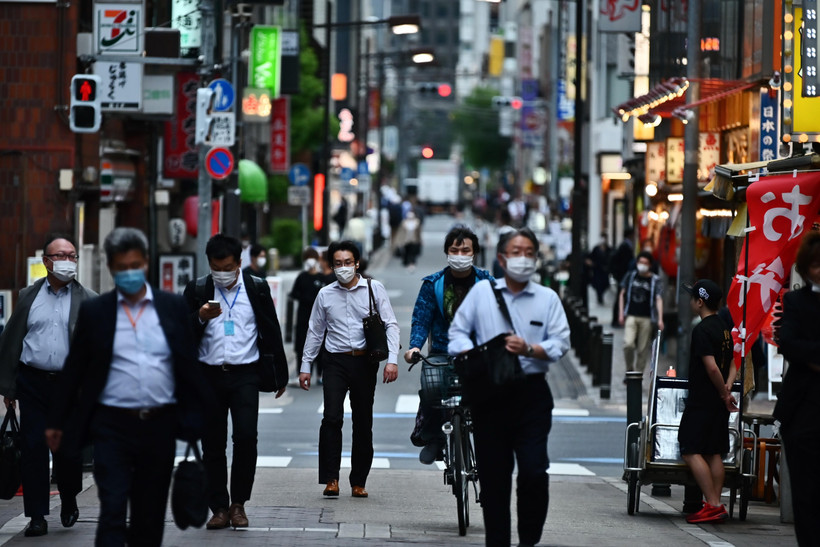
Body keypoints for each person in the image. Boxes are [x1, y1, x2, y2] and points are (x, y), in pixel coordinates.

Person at [44, 227, 210, 546]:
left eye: (135, 265)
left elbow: (187, 366)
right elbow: (75, 369)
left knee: (148, 518)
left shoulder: (171, 307)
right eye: (122, 268)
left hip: (158, 426)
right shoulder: (97, 312)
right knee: (113, 511)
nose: (129, 273)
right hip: (112, 426)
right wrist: (56, 421)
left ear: (146, 263)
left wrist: (201, 416)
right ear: (111, 268)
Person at [448, 228, 571, 546]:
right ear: (502, 259)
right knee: (494, 478)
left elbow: (560, 343)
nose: (524, 258)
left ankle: (528, 540)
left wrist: (530, 349)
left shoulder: (547, 298)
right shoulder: (482, 294)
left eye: (530, 252)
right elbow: (458, 332)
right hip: (489, 394)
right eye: (516, 252)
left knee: (533, 470)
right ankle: (497, 541)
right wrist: (468, 351)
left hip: (531, 394)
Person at [183, 233, 289, 530]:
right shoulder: (197, 289)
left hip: (245, 374)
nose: (222, 273)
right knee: (212, 445)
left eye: (227, 267)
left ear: (239, 263)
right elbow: (179, 331)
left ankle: (238, 503)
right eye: (216, 267)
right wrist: (200, 317)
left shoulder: (256, 288)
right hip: (208, 375)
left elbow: (271, 329)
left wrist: (281, 373)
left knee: (245, 438)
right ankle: (218, 507)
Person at [0, 235, 96, 537]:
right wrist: (9, 388)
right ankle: (37, 515)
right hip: (34, 382)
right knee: (33, 449)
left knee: (69, 452)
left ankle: (68, 498)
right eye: (61, 255)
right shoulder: (29, 295)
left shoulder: (89, 299)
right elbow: (12, 340)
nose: (67, 261)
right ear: (46, 261)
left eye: (72, 255)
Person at [298, 240, 400, 498]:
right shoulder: (325, 294)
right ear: (330, 266)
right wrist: (305, 365)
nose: (343, 268)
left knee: (362, 421)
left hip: (365, 362)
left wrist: (392, 360)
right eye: (338, 264)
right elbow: (315, 330)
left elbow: (391, 324)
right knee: (331, 417)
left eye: (348, 263)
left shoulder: (373, 288)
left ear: (357, 263)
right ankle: (331, 478)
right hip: (335, 360)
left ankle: (359, 481)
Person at [404, 227, 493, 464]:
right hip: (442, 351)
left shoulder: (487, 282)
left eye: (465, 250)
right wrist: (414, 347)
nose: (460, 255)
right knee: (432, 388)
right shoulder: (433, 284)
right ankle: (435, 439)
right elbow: (421, 319)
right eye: (455, 250)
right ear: (447, 252)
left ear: (474, 254)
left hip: (478, 351)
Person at [773, 230, 820, 546]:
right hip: (803, 409)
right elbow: (787, 342)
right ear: (805, 269)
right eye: (816, 265)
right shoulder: (795, 300)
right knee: (806, 491)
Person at [678, 279, 738, 524]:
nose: (691, 300)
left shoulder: (702, 330)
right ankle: (715, 504)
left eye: (693, 297)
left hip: (703, 399)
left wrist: (723, 392)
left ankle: (712, 503)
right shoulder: (724, 327)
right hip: (718, 401)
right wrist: (727, 387)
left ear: (700, 302)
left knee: (690, 449)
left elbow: (711, 367)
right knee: (714, 452)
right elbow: (735, 360)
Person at [618, 251, 664, 375]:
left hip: (647, 317)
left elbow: (658, 299)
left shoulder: (655, 280)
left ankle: (637, 375)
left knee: (642, 349)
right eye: (640, 262)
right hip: (631, 315)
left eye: (645, 263)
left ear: (650, 265)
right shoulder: (630, 276)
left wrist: (660, 319)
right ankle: (629, 370)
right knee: (628, 344)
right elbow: (622, 294)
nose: (642, 265)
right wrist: (621, 314)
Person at [288, 247, 329, 380]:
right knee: (301, 345)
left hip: (320, 318)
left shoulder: (322, 278)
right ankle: (304, 372)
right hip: (303, 317)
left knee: (321, 345)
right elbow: (294, 294)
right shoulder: (302, 277)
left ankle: (320, 374)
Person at [608, 228, 635, 326]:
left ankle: (618, 319)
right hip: (622, 276)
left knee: (621, 297)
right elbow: (623, 263)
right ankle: (616, 319)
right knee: (620, 297)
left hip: (622, 276)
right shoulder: (624, 246)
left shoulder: (626, 245)